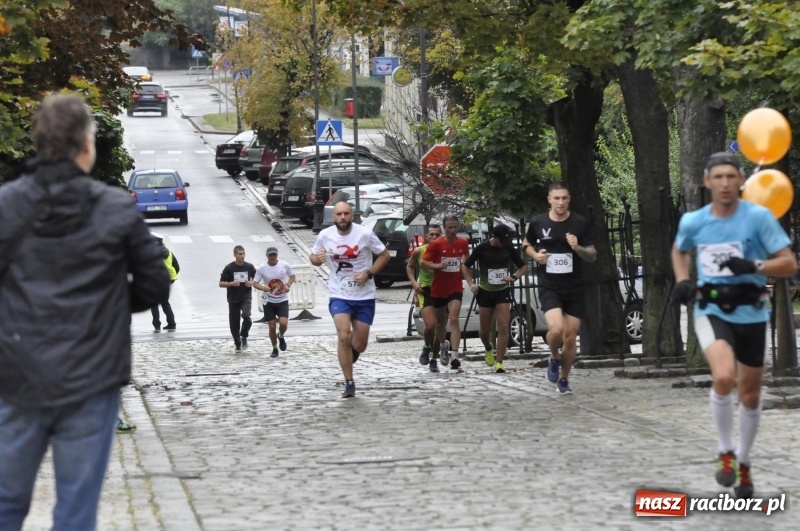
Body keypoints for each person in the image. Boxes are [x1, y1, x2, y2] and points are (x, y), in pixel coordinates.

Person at [0, 93, 170, 530]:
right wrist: (111, 304)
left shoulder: (6, 206)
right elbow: (155, 283)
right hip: (92, 375)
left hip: (16, 373)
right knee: (76, 510)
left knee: (5, 502)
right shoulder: (115, 207)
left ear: (38, 143)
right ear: (87, 145)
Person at [671, 151, 797, 500]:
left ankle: (744, 462)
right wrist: (683, 279)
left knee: (751, 394)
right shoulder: (694, 221)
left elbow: (788, 264)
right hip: (710, 309)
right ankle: (726, 452)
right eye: (718, 177)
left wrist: (754, 264)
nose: (725, 184)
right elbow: (679, 250)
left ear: (742, 180)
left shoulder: (758, 219)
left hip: (752, 312)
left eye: (731, 177)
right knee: (724, 377)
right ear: (706, 181)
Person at [310, 201, 390, 398]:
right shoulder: (325, 235)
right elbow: (313, 256)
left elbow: (385, 255)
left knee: (359, 344)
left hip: (364, 295)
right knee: (344, 335)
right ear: (333, 217)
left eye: (346, 214)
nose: (343, 217)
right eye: (339, 214)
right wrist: (316, 259)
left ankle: (350, 354)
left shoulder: (364, 233)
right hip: (339, 293)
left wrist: (369, 274)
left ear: (352, 216)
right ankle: (349, 382)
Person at [523, 182, 596, 394]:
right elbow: (526, 244)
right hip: (550, 285)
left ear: (569, 199)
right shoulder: (539, 222)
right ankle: (554, 356)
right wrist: (536, 256)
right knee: (556, 330)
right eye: (556, 198)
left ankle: (564, 380)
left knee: (571, 337)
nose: (560, 202)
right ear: (549, 200)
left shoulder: (580, 223)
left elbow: (592, 255)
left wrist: (577, 247)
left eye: (564, 198)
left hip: (574, 286)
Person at [462, 224, 528, 373]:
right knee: (484, 331)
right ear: (494, 237)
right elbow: (465, 267)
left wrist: (513, 277)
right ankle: (488, 348)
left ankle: (499, 362)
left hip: (502, 291)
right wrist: (471, 284)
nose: (505, 243)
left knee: (503, 326)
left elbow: (523, 267)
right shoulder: (482, 248)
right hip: (485, 292)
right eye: (502, 240)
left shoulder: (508, 248)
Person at [421, 215, 470, 370]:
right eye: (449, 227)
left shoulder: (463, 243)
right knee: (441, 323)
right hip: (438, 289)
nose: (452, 230)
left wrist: (464, 264)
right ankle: (443, 345)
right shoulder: (436, 244)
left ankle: (455, 355)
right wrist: (437, 266)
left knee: (454, 318)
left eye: (455, 227)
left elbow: (466, 258)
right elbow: (423, 263)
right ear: (444, 227)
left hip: (455, 287)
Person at [406, 224, 443, 372]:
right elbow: (409, 267)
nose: (434, 237)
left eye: (437, 235)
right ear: (426, 236)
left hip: (442, 291)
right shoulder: (419, 251)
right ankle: (427, 346)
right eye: (431, 234)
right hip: (425, 290)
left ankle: (434, 359)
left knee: (440, 328)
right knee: (430, 325)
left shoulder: (444, 250)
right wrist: (414, 283)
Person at [253, 246, 296, 357]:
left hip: (282, 299)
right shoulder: (262, 268)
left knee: (283, 323)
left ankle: (281, 336)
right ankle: (274, 348)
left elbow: (292, 276)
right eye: (270, 255)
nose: (273, 257)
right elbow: (255, 282)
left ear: (277, 255)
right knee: (271, 326)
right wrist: (263, 287)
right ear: (267, 256)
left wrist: (287, 285)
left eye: (274, 255)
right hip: (269, 300)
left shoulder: (284, 265)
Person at [219, 245, 257, 352]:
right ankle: (237, 343)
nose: (242, 256)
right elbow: (221, 283)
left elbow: (256, 277)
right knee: (234, 324)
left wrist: (252, 282)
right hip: (233, 298)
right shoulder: (229, 268)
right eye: (240, 254)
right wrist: (231, 283)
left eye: (244, 253)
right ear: (235, 255)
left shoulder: (249, 267)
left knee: (246, 315)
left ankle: (244, 335)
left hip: (246, 296)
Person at [150, 232, 179, 331]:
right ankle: (171, 323)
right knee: (164, 302)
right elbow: (176, 266)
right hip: (169, 279)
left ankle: (157, 325)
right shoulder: (169, 251)